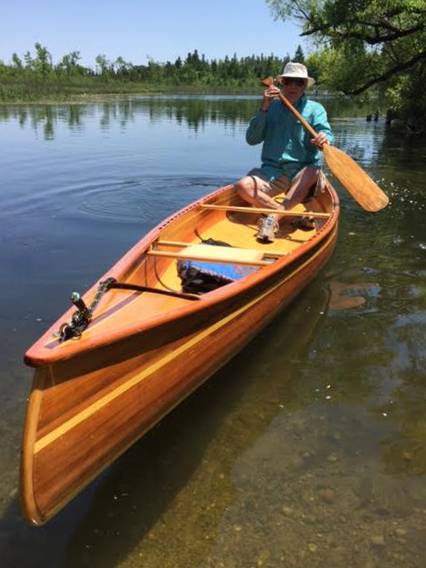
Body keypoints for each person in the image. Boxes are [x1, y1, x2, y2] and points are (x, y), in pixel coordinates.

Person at [234, 61, 334, 242]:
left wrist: (323, 139)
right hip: (273, 173)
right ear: (282, 84)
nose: (293, 86)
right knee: (243, 186)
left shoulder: (315, 109)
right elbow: (252, 139)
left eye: (299, 82)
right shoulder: (270, 108)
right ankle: (291, 217)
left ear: (305, 86)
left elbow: (326, 134)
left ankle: (272, 218)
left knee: (313, 169)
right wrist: (264, 108)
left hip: (303, 175)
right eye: (289, 81)